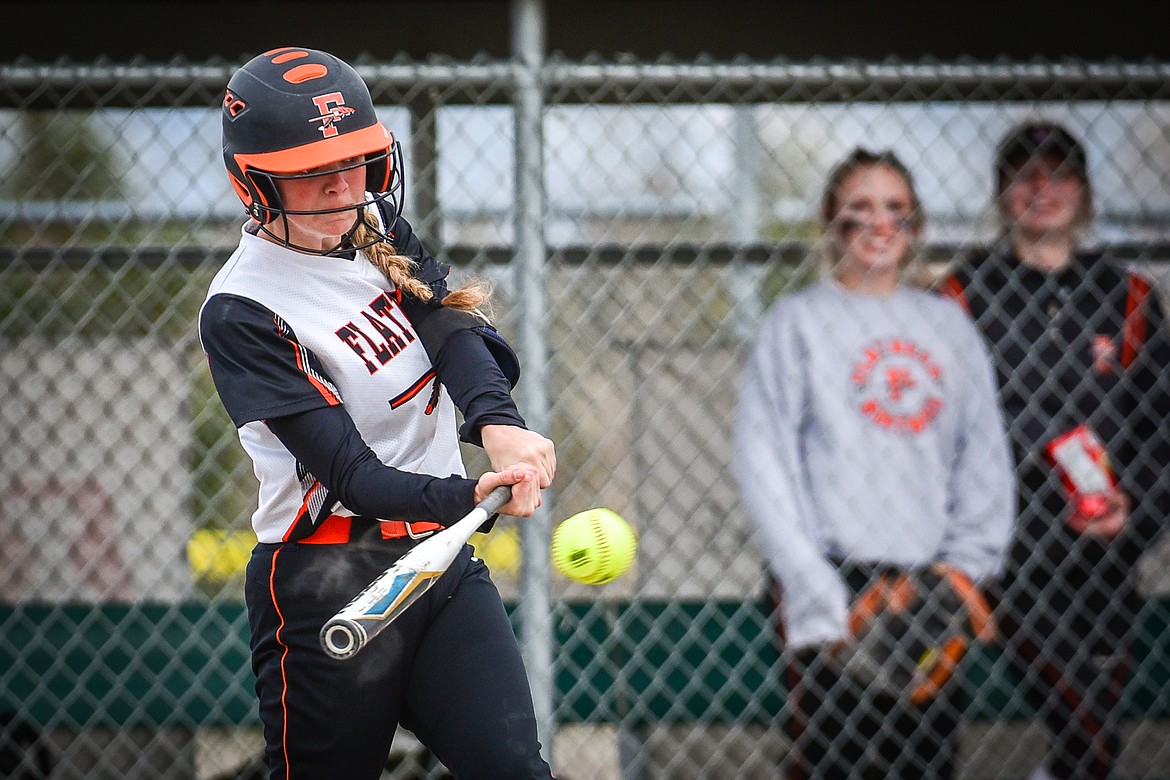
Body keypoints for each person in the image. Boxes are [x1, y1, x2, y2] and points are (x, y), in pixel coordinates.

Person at [199, 46, 557, 779]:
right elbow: (354, 475)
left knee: (513, 770)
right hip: (327, 580)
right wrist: (470, 493)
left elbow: (451, 329)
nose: (341, 186)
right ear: (255, 182)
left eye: (357, 161)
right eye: (310, 171)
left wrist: (499, 425)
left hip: (439, 561)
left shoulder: (375, 225)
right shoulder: (243, 308)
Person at [733, 148, 1016, 779]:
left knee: (926, 762)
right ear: (831, 221)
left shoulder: (946, 325)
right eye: (859, 207)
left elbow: (984, 457)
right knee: (834, 760)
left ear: (915, 225)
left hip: (927, 585)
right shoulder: (798, 321)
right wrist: (817, 592)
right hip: (837, 578)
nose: (878, 223)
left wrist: (963, 574)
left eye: (895, 208)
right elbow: (764, 458)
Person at [939, 121, 1170, 780]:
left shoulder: (1128, 300)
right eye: (1025, 177)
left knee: (1088, 750)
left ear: (1085, 191)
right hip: (1015, 556)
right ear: (1003, 192)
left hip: (1104, 556)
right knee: (1089, 730)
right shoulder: (961, 297)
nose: (1042, 190)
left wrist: (1136, 511)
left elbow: (1161, 431)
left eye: (1059, 174)